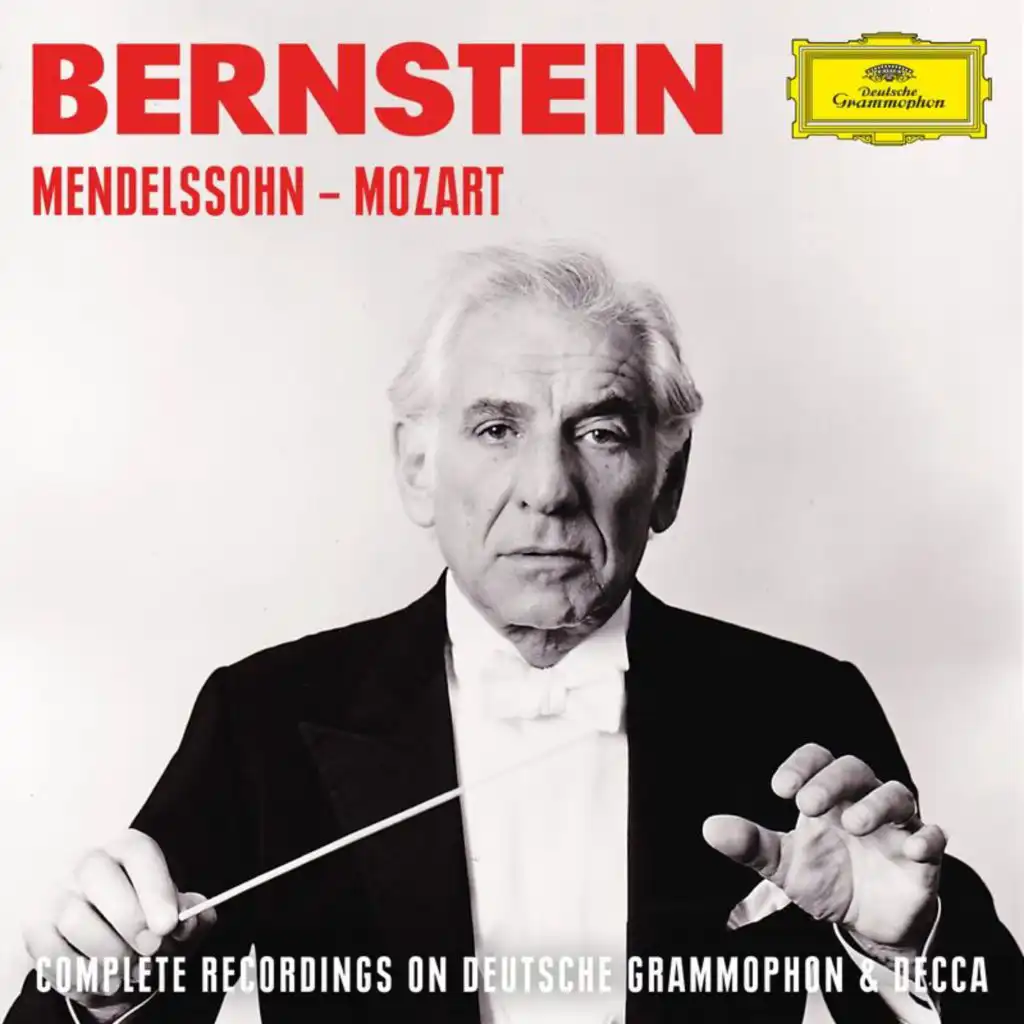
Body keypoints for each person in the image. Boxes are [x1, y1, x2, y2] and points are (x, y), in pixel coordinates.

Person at [6, 244, 1022, 1024]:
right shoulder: (264, 716)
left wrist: (912, 943)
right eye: (497, 429)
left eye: (601, 431)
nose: (547, 487)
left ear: (667, 478)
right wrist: (95, 991)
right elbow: (88, 1002)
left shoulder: (800, 708)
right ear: (416, 468)